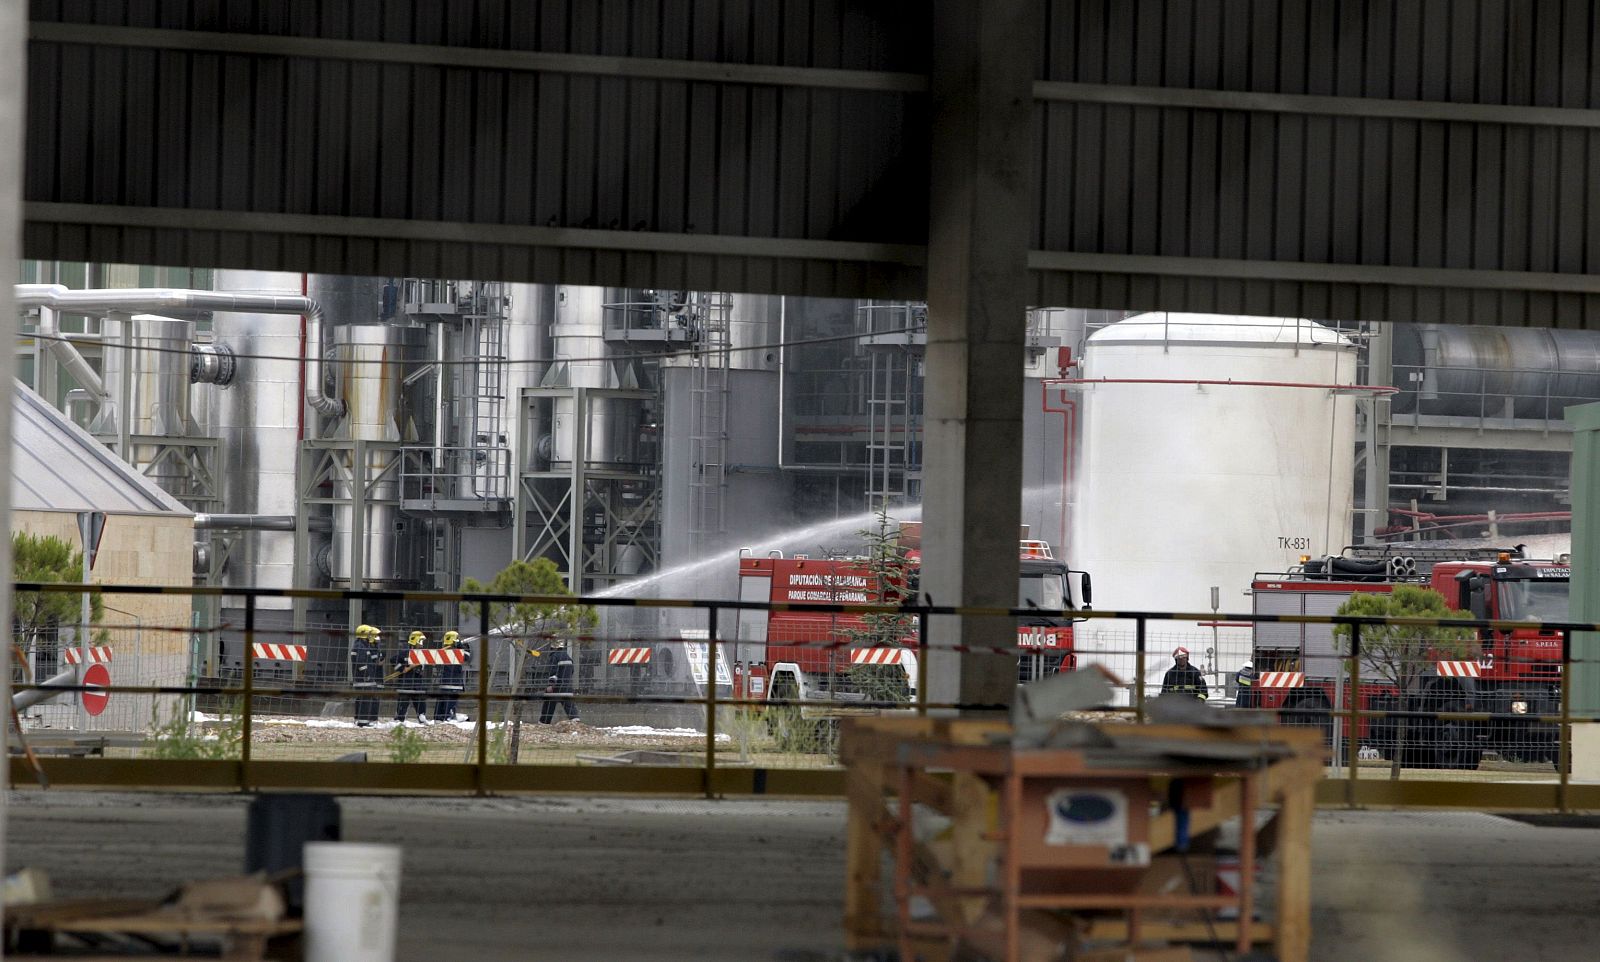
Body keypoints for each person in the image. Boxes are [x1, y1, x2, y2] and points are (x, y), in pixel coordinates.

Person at [392, 630, 431, 723]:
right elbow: (393, 660)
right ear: (414, 641)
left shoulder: (423, 654)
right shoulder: (405, 653)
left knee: (420, 701)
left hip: (418, 683)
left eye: (422, 642)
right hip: (406, 683)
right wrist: (402, 668)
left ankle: (422, 716)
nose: (422, 645)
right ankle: (400, 718)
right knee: (403, 702)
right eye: (420, 642)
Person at [433, 630, 471, 722]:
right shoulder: (454, 652)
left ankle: (439, 717)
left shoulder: (444, 652)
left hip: (444, 683)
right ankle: (448, 717)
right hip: (453, 683)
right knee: (450, 703)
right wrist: (461, 646)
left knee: (442, 701)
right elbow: (466, 656)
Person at [350, 624, 385, 726]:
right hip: (363, 679)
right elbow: (361, 663)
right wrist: (367, 676)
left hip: (363, 679)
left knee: (364, 699)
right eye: (369, 634)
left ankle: (362, 720)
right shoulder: (360, 647)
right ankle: (363, 722)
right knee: (365, 700)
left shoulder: (362, 645)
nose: (371, 636)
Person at [539, 640, 579, 724]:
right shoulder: (568, 657)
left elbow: (553, 672)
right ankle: (576, 722)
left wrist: (551, 685)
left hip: (556, 687)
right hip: (566, 686)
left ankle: (543, 723)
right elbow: (572, 671)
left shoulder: (554, 656)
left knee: (548, 705)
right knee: (569, 706)